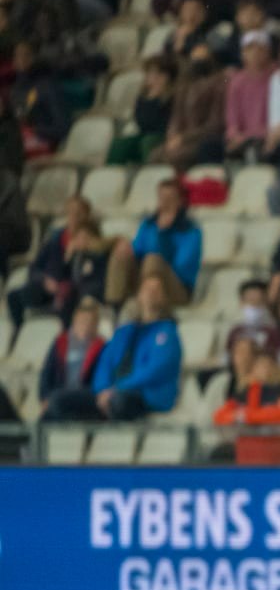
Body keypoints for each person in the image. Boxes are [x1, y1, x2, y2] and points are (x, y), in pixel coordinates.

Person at [44, 275, 183, 422]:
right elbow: (106, 362)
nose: (151, 294)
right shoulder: (125, 331)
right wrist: (102, 389)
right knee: (58, 400)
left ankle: (111, 440)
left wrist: (117, 389)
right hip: (111, 393)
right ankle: (32, 443)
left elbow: (154, 370)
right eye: (147, 289)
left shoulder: (167, 333)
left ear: (164, 297)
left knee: (119, 402)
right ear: (139, 295)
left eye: (156, 290)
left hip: (146, 395)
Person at [107, 180, 202, 309]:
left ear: (180, 201)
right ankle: (114, 307)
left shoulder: (191, 231)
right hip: (143, 278)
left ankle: (146, 304)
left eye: (169, 198)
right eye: (161, 198)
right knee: (121, 254)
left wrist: (163, 234)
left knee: (153, 260)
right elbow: (136, 250)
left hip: (177, 288)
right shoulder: (149, 224)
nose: (164, 202)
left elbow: (182, 267)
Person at [10, 196, 99, 327]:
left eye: (79, 214)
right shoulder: (55, 239)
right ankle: (19, 335)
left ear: (87, 216)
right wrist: (45, 281)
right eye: (70, 213)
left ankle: (63, 341)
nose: (74, 217)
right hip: (48, 288)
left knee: (69, 303)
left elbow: (88, 275)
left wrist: (72, 256)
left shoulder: (92, 241)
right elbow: (34, 268)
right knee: (13, 297)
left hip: (71, 293)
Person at [157, 42, 229, 172]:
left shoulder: (219, 84)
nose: (198, 62)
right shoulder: (184, 86)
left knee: (173, 157)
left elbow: (215, 124)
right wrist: (172, 135)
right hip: (181, 140)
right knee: (155, 156)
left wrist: (183, 138)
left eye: (202, 58)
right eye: (195, 59)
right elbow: (176, 118)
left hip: (202, 139)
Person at [37, 298, 105, 403]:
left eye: (90, 322)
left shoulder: (101, 346)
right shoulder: (60, 342)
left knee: (57, 400)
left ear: (95, 325)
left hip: (85, 396)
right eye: (82, 321)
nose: (86, 326)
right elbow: (46, 373)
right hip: (59, 394)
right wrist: (44, 398)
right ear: (75, 321)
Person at [225, 31, 276, 160]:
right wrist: (235, 135)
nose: (255, 53)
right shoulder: (237, 81)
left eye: (260, 49)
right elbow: (232, 118)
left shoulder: (276, 76)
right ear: (243, 54)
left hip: (268, 136)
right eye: (250, 49)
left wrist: (249, 136)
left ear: (268, 52)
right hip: (243, 138)